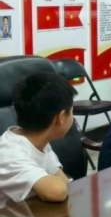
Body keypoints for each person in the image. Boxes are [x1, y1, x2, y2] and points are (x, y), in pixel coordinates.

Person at [0, 74, 76, 204]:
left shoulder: (39, 142)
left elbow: (63, 181)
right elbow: (57, 191)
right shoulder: (10, 154)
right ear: (61, 117)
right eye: (72, 111)